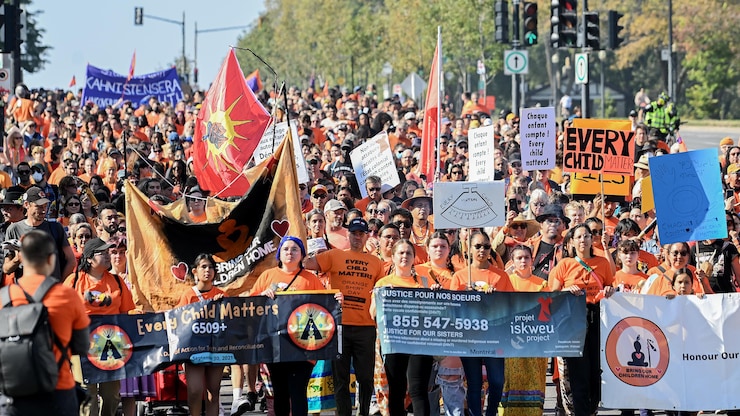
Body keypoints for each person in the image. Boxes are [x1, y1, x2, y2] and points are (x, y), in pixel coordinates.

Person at [250, 236, 342, 416]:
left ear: (302, 255)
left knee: (298, 392)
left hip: (303, 347)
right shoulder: (267, 276)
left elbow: (324, 307)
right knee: (280, 393)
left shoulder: (310, 279)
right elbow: (251, 306)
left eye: (294, 249)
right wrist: (262, 295)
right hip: (275, 346)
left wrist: (337, 300)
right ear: (279, 253)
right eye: (285, 249)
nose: (290, 253)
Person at [1, 230, 90, 416]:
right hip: (58, 390)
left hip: (15, 393)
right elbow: (82, 346)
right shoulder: (67, 296)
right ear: (51, 259)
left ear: (21, 258)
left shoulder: (3, 297)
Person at [303, 218, 385, 416]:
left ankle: (363, 412)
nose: (357, 237)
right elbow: (305, 264)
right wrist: (309, 245)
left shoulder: (376, 262)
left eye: (361, 233)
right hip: (340, 325)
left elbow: (380, 291)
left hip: (365, 326)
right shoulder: (334, 255)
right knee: (340, 378)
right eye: (354, 233)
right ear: (347, 234)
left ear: (367, 236)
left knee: (365, 378)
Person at [63, 238, 136, 416]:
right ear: (89, 259)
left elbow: (126, 314)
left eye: (107, 252)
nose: (107, 256)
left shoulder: (117, 282)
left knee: (111, 395)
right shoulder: (73, 282)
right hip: (81, 345)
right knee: (87, 393)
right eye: (102, 253)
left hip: (111, 346)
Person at [549, 225, 615, 416]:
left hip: (597, 319)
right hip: (573, 319)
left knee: (595, 373)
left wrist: (610, 290)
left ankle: (591, 409)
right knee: (579, 374)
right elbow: (552, 294)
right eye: (579, 236)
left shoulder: (602, 263)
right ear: (571, 242)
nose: (583, 240)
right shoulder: (564, 265)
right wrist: (566, 291)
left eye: (587, 235)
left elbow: (610, 285)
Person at [450, 231, 514, 416]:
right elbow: (453, 310)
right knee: (474, 383)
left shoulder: (501, 276)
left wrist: (497, 299)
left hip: (495, 337)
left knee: (496, 381)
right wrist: (465, 296)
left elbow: (511, 306)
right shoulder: (460, 277)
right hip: (470, 338)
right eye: (477, 246)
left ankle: (491, 412)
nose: (482, 250)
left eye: (486, 246)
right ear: (469, 249)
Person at [371, 239, 438, 416]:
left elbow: (436, 313)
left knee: (418, 391)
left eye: (409, 253)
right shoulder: (383, 283)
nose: (405, 256)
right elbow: (373, 314)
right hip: (394, 342)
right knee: (396, 390)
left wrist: (435, 295)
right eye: (401, 253)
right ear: (392, 257)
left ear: (414, 257)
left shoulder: (425, 282)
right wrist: (384, 297)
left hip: (420, 342)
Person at [415, 232, 465, 416]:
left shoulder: (458, 275)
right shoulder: (416, 271)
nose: (438, 249)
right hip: (422, 336)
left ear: (449, 249)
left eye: (443, 246)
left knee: (451, 381)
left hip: (449, 336)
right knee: (426, 386)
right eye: (434, 246)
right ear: (427, 250)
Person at [500, 245, 549, 416]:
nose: (523, 261)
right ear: (512, 261)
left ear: (531, 260)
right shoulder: (506, 282)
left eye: (526, 257)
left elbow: (548, 313)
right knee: (512, 379)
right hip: (512, 340)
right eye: (519, 258)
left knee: (534, 379)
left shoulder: (542, 284)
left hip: (536, 342)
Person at [175, 254, 225, 416]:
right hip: (194, 351)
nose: (207, 270)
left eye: (211, 267)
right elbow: (178, 322)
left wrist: (222, 306)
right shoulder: (188, 295)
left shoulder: (221, 294)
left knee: (214, 392)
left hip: (216, 349)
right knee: (195, 390)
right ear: (195, 271)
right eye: (203, 267)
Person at [6, 186, 76, 279]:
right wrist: (17, 259)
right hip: (26, 290)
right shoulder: (14, 229)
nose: (43, 210)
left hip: (51, 289)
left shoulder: (55, 227)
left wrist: (60, 284)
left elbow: (71, 260)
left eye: (45, 206)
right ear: (26, 204)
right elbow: (6, 268)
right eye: (38, 206)